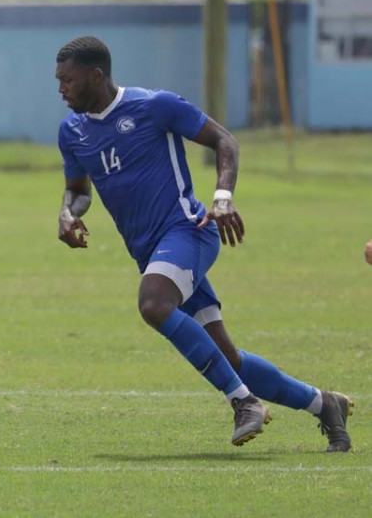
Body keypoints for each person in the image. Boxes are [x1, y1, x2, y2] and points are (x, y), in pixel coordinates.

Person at [54, 35, 353, 451]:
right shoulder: (72, 132)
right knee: (227, 359)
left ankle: (244, 402)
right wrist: (68, 212)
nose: (60, 89)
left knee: (154, 304)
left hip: (188, 231)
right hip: (151, 253)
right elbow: (78, 190)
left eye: (67, 80)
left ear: (96, 75)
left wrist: (223, 197)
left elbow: (225, 140)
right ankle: (324, 404)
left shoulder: (154, 106)